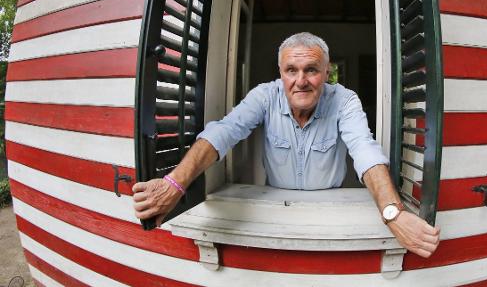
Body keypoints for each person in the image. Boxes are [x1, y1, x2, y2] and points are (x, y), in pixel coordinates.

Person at [133, 32, 440, 258]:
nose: (301, 81)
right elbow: (225, 131)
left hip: (330, 215)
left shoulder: (344, 100)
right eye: (291, 70)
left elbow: (364, 149)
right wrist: (175, 183)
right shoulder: (265, 95)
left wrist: (393, 213)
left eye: (312, 70)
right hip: (274, 209)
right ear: (280, 72)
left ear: (327, 71)